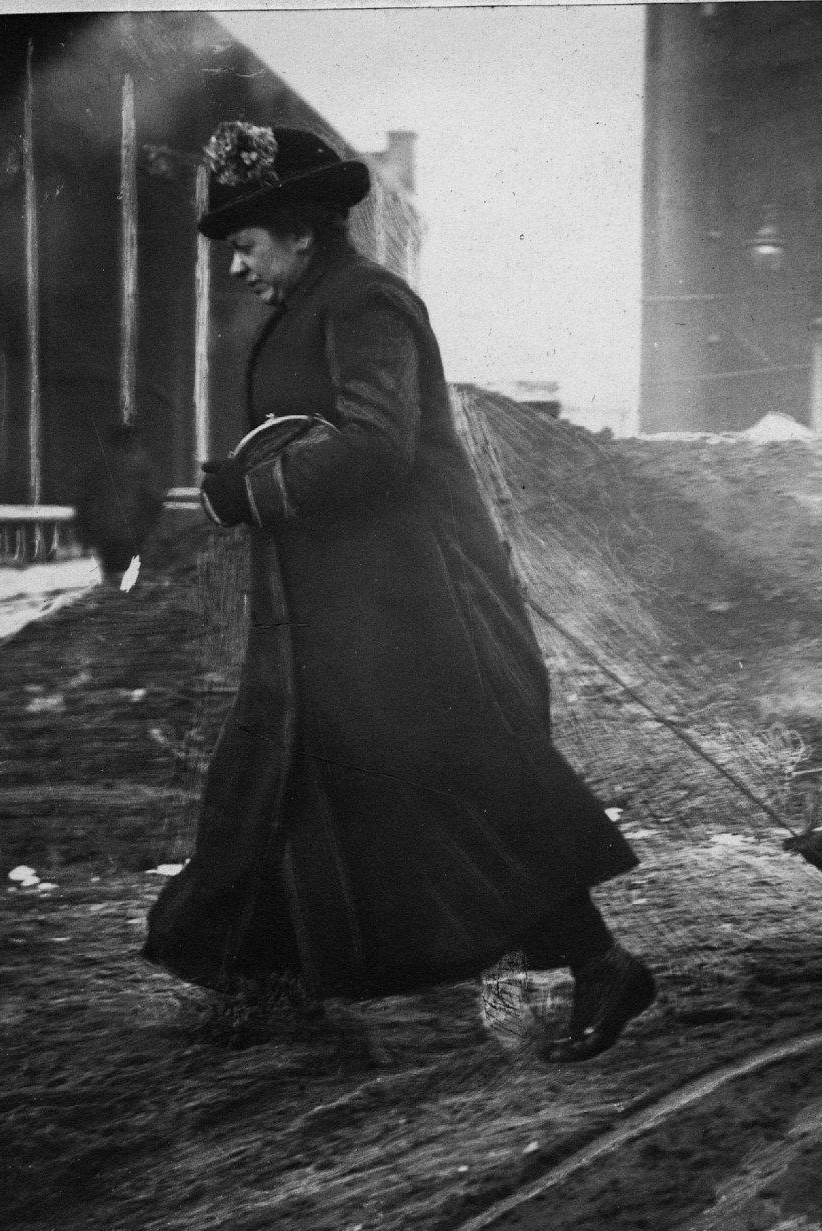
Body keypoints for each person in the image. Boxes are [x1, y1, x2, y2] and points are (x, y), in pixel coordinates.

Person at [143, 123, 653, 1062]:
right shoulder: (313, 305)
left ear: (298, 231)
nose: (238, 269)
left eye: (247, 246)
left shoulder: (368, 302)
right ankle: (266, 984)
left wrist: (245, 491)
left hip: (413, 602)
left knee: (459, 782)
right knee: (282, 771)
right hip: (337, 602)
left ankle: (602, 965)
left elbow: (377, 443)